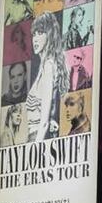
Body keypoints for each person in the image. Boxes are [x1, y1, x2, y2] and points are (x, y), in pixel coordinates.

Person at [26, 11, 69, 142]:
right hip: (37, 137)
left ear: (50, 35)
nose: (35, 39)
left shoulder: (48, 66)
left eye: (40, 33)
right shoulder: (45, 66)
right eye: (34, 34)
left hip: (37, 139)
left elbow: (43, 122)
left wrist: (34, 152)